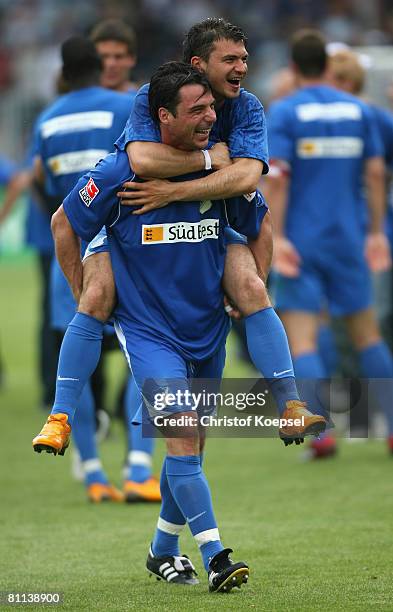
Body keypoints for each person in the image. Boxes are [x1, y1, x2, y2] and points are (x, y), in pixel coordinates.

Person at [43, 17, 327, 449]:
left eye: (245, 58)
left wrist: (192, 179)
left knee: (249, 286)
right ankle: (60, 416)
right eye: (229, 59)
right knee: (97, 295)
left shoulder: (247, 105)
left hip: (207, 225)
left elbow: (249, 179)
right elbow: (142, 159)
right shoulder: (152, 96)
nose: (242, 68)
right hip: (133, 225)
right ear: (199, 64)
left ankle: (291, 406)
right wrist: (215, 161)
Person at [47, 62, 253, 592]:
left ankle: (162, 550)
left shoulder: (219, 167)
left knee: (191, 450)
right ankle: (216, 555)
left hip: (206, 330)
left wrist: (249, 283)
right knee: (183, 439)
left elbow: (261, 219)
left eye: (212, 107)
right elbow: (64, 223)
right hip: (148, 333)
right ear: (163, 116)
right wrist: (83, 298)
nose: (212, 116)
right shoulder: (123, 170)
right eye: (198, 110)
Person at [264, 29, 393, 452]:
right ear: (326, 63)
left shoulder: (284, 112)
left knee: (302, 337)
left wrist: (278, 238)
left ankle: (320, 436)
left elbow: (277, 180)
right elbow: (376, 173)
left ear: (295, 68)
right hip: (349, 236)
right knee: (367, 334)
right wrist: (375, 231)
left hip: (301, 239)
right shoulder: (360, 111)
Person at [32, 36, 132, 502]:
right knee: (145, 356)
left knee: (76, 369)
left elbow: (47, 184)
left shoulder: (48, 119)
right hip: (122, 250)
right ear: (101, 67)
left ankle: (92, 472)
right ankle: (138, 466)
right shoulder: (124, 106)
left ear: (65, 73)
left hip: (68, 251)